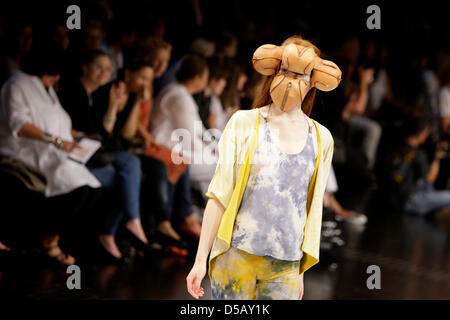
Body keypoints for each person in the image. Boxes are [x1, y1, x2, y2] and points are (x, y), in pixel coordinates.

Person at [186, 36, 340, 300]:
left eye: (300, 74)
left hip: (286, 266)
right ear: (274, 70)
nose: (291, 80)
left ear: (313, 80)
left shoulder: (321, 137)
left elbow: (311, 208)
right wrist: (200, 260)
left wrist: (300, 271)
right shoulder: (244, 123)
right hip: (236, 256)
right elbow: (220, 194)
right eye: (285, 70)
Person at [0, 44, 101, 266]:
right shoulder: (16, 86)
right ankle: (48, 241)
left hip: (54, 155)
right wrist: (56, 141)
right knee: (79, 185)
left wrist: (77, 137)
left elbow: (57, 122)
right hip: (24, 155)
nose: (56, 79)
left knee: (89, 186)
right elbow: (20, 125)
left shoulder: (46, 90)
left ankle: (51, 239)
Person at [150, 54, 217, 199]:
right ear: (196, 79)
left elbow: (200, 130)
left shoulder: (182, 94)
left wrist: (217, 149)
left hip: (180, 149)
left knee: (220, 167)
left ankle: (199, 214)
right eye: (205, 76)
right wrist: (213, 153)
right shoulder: (178, 96)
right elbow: (190, 138)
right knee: (222, 168)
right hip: (167, 150)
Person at [385, 115, 450, 220]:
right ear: (421, 133)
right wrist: (437, 157)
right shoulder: (418, 154)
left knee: (424, 184)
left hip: (391, 196)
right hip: (409, 202)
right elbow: (430, 178)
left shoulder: (394, 145)